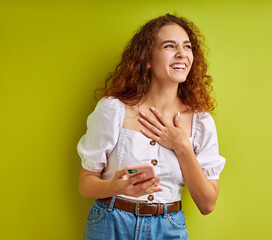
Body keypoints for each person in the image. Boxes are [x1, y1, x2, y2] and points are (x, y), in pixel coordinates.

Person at [77, 13, 225, 240]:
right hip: (111, 223)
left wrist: (182, 145)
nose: (181, 54)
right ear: (146, 58)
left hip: (168, 228)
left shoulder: (201, 123)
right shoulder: (113, 110)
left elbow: (207, 204)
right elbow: (85, 184)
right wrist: (117, 187)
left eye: (187, 47)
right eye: (169, 46)